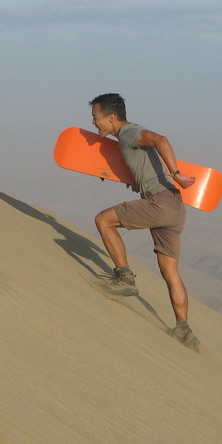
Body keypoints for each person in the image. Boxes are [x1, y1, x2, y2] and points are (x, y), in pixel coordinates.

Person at [89, 93, 200, 352]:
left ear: (111, 117)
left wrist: (176, 173)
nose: (94, 123)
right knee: (170, 272)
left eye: (96, 118)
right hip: (175, 206)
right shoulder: (131, 133)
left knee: (103, 221)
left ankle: (124, 278)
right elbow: (144, 165)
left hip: (159, 203)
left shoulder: (128, 132)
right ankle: (183, 329)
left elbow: (161, 140)